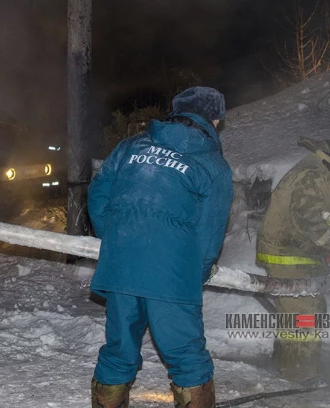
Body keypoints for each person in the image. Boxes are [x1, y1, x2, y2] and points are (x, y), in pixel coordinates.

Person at [88, 87, 233, 408]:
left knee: (118, 350)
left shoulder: (130, 146)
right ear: (215, 119)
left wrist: (115, 241)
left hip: (121, 265)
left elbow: (98, 195)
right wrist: (199, 270)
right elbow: (211, 232)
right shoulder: (213, 164)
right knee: (186, 355)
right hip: (173, 273)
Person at [256, 131, 330, 384]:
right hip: (288, 256)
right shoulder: (314, 175)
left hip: (298, 255)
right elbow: (308, 219)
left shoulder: (321, 173)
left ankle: (284, 368)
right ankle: (299, 378)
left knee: (302, 313)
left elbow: (317, 221)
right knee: (304, 316)